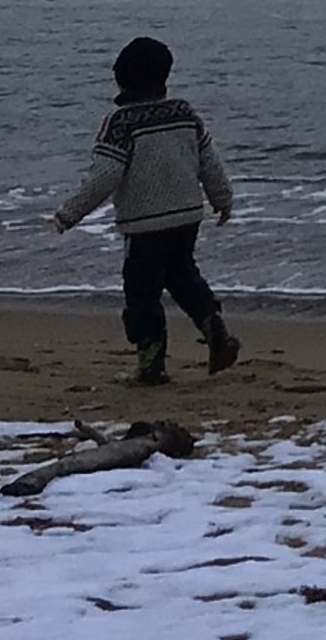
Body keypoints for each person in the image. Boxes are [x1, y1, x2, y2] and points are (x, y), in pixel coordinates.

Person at [52, 35, 241, 384]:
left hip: (144, 225)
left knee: (142, 294)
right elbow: (209, 164)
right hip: (187, 216)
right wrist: (222, 200)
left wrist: (69, 213)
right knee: (183, 274)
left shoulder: (121, 123)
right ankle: (215, 327)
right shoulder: (185, 113)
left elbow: (104, 177)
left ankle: (151, 363)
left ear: (121, 78)